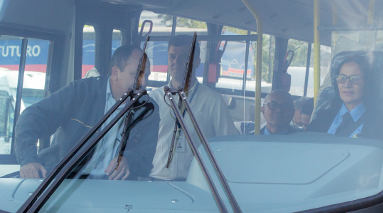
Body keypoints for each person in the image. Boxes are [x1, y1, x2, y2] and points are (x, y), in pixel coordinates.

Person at [15, 45, 158, 180]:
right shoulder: (81, 92)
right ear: (115, 73)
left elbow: (146, 154)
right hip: (64, 182)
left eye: (147, 75)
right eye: (136, 74)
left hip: (113, 188)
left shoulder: (148, 108)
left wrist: (128, 159)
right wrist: (28, 160)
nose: (143, 82)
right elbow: (31, 117)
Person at [150, 35, 238, 180]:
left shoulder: (213, 101)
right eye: (172, 56)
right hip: (157, 180)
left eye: (183, 57)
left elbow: (229, 145)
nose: (176, 62)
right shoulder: (153, 99)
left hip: (198, 183)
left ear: (196, 62)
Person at [307, 53, 383, 139]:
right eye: (342, 78)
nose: (347, 85)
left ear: (367, 83)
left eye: (355, 79)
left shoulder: (380, 122)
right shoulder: (322, 117)